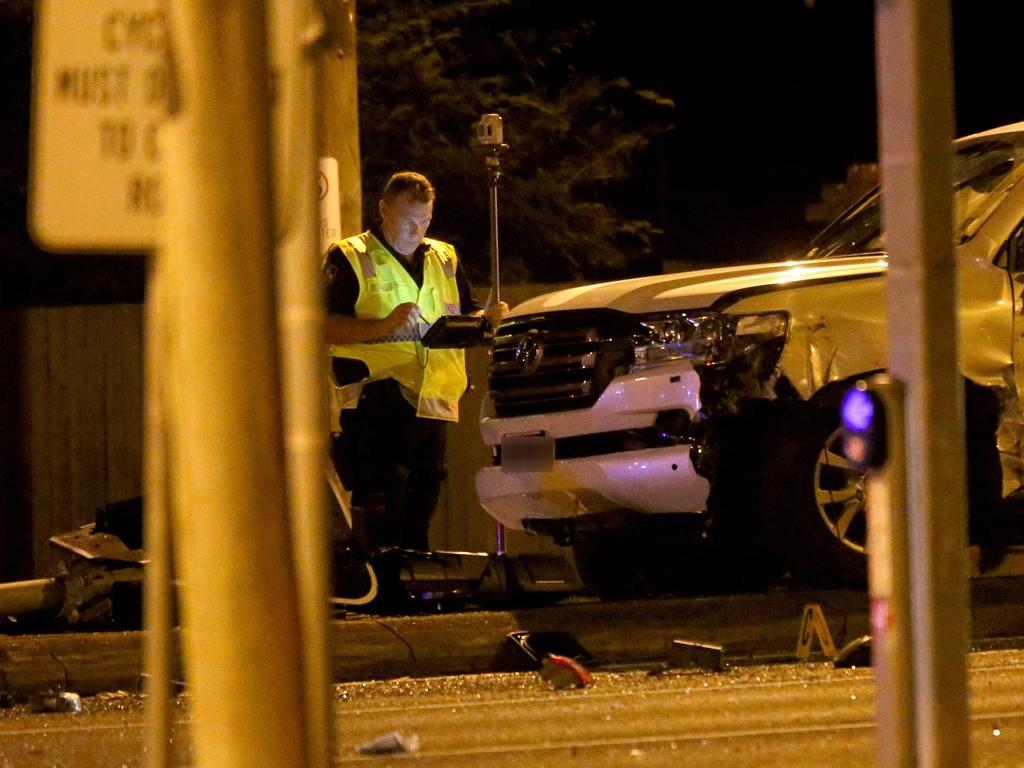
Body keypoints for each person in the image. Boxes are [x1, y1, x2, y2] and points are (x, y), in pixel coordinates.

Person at [323, 171, 507, 553]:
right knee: (382, 495)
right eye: (408, 220)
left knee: (424, 493)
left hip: (435, 399)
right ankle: (382, 582)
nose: (416, 229)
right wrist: (385, 324)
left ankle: (413, 581)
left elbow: (465, 314)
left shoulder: (444, 256)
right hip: (377, 395)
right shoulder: (351, 256)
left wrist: (485, 322)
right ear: (383, 209)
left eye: (424, 221)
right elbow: (324, 326)